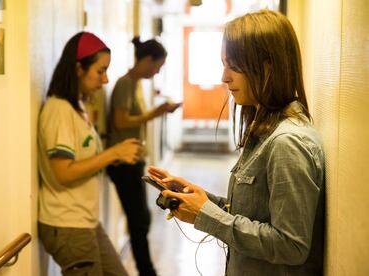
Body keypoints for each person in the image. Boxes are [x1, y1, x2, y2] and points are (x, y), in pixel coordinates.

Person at [147, 10, 325, 276]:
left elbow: (291, 245)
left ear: (267, 67)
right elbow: (255, 213)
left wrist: (204, 216)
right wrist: (202, 199)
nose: (224, 77)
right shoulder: (266, 131)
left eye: (233, 65)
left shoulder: (288, 143)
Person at [37, 31, 142, 276]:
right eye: (100, 71)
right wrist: (113, 152)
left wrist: (118, 154)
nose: (105, 80)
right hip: (66, 223)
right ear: (78, 69)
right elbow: (63, 173)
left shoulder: (78, 108)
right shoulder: (58, 110)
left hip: (86, 221)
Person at [106, 36, 181, 276]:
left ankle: (146, 269)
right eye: (157, 66)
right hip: (123, 163)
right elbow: (120, 121)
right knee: (139, 222)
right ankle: (146, 271)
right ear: (147, 60)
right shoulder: (125, 83)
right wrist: (156, 113)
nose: (157, 72)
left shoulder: (135, 83)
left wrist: (157, 111)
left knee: (142, 218)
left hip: (133, 160)